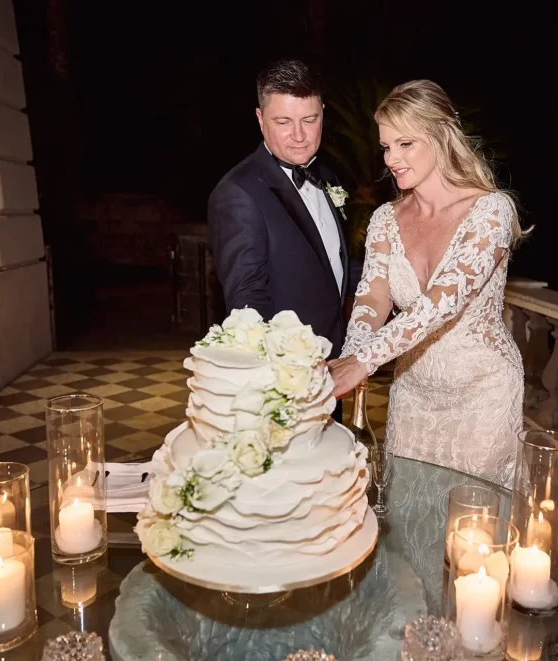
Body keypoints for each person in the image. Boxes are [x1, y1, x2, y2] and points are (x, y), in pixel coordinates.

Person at [328, 80, 525, 487]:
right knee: (406, 511)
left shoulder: (491, 211)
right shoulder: (385, 218)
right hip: (413, 393)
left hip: (483, 394)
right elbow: (373, 296)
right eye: (386, 147)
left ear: (440, 136)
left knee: (470, 519)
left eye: (405, 144)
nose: (391, 158)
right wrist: (352, 359)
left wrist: (365, 360)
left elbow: (443, 302)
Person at [207, 59, 349, 361]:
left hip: (335, 360)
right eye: (283, 122)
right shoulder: (238, 192)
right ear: (260, 119)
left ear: (323, 113)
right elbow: (247, 306)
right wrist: (283, 376)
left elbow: (331, 263)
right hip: (287, 371)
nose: (299, 135)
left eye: (309, 120)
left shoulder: (329, 177)